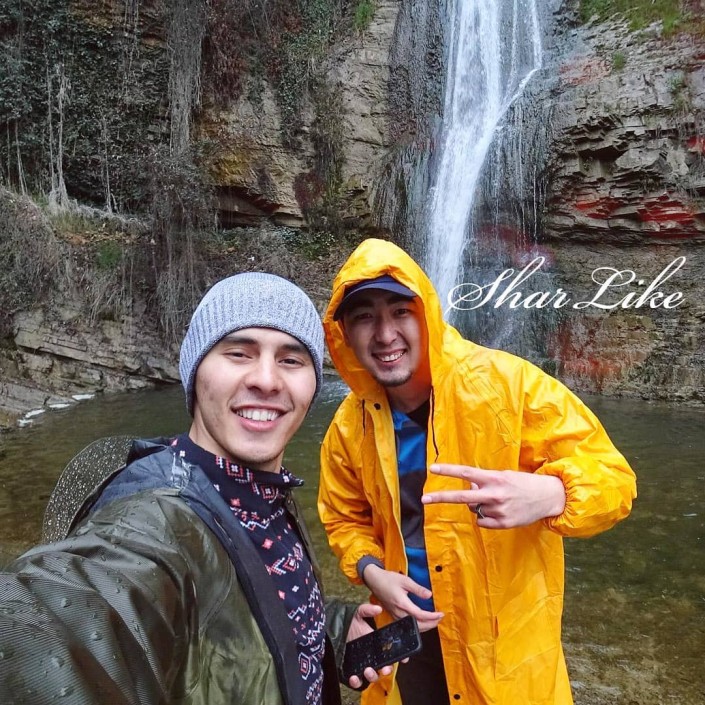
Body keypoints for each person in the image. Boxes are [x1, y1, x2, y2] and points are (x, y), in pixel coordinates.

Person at [0, 271, 394, 705]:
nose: (267, 380)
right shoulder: (152, 521)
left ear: (313, 383)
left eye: (291, 360)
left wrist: (330, 631)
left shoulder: (263, 493)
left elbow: (240, 622)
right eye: (239, 353)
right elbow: (54, 620)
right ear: (195, 372)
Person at [317, 238, 637, 705]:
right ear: (344, 333)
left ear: (426, 314)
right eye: (365, 317)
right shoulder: (349, 425)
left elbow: (614, 480)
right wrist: (372, 572)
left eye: (400, 311)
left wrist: (552, 494)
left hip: (502, 643)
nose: (385, 334)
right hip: (406, 636)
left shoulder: (511, 386)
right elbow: (343, 518)